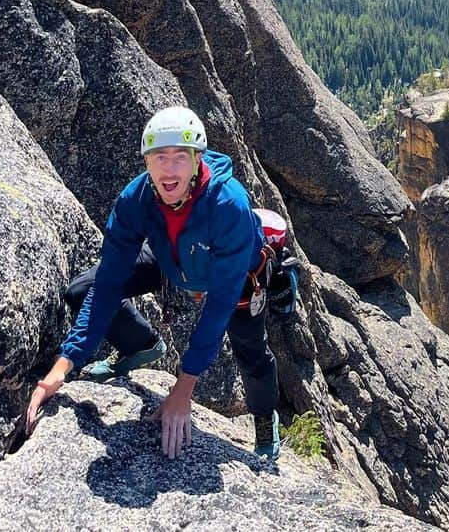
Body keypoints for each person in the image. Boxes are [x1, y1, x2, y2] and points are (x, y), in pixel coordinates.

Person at [24, 105, 281, 459]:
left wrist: (183, 387)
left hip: (235, 273)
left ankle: (265, 421)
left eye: (180, 156)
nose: (169, 168)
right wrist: (63, 365)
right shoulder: (136, 199)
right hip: (173, 257)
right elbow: (109, 282)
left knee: (250, 349)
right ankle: (141, 344)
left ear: (197, 161)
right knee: (84, 288)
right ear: (147, 163)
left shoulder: (228, 204)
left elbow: (219, 301)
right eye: (160, 156)